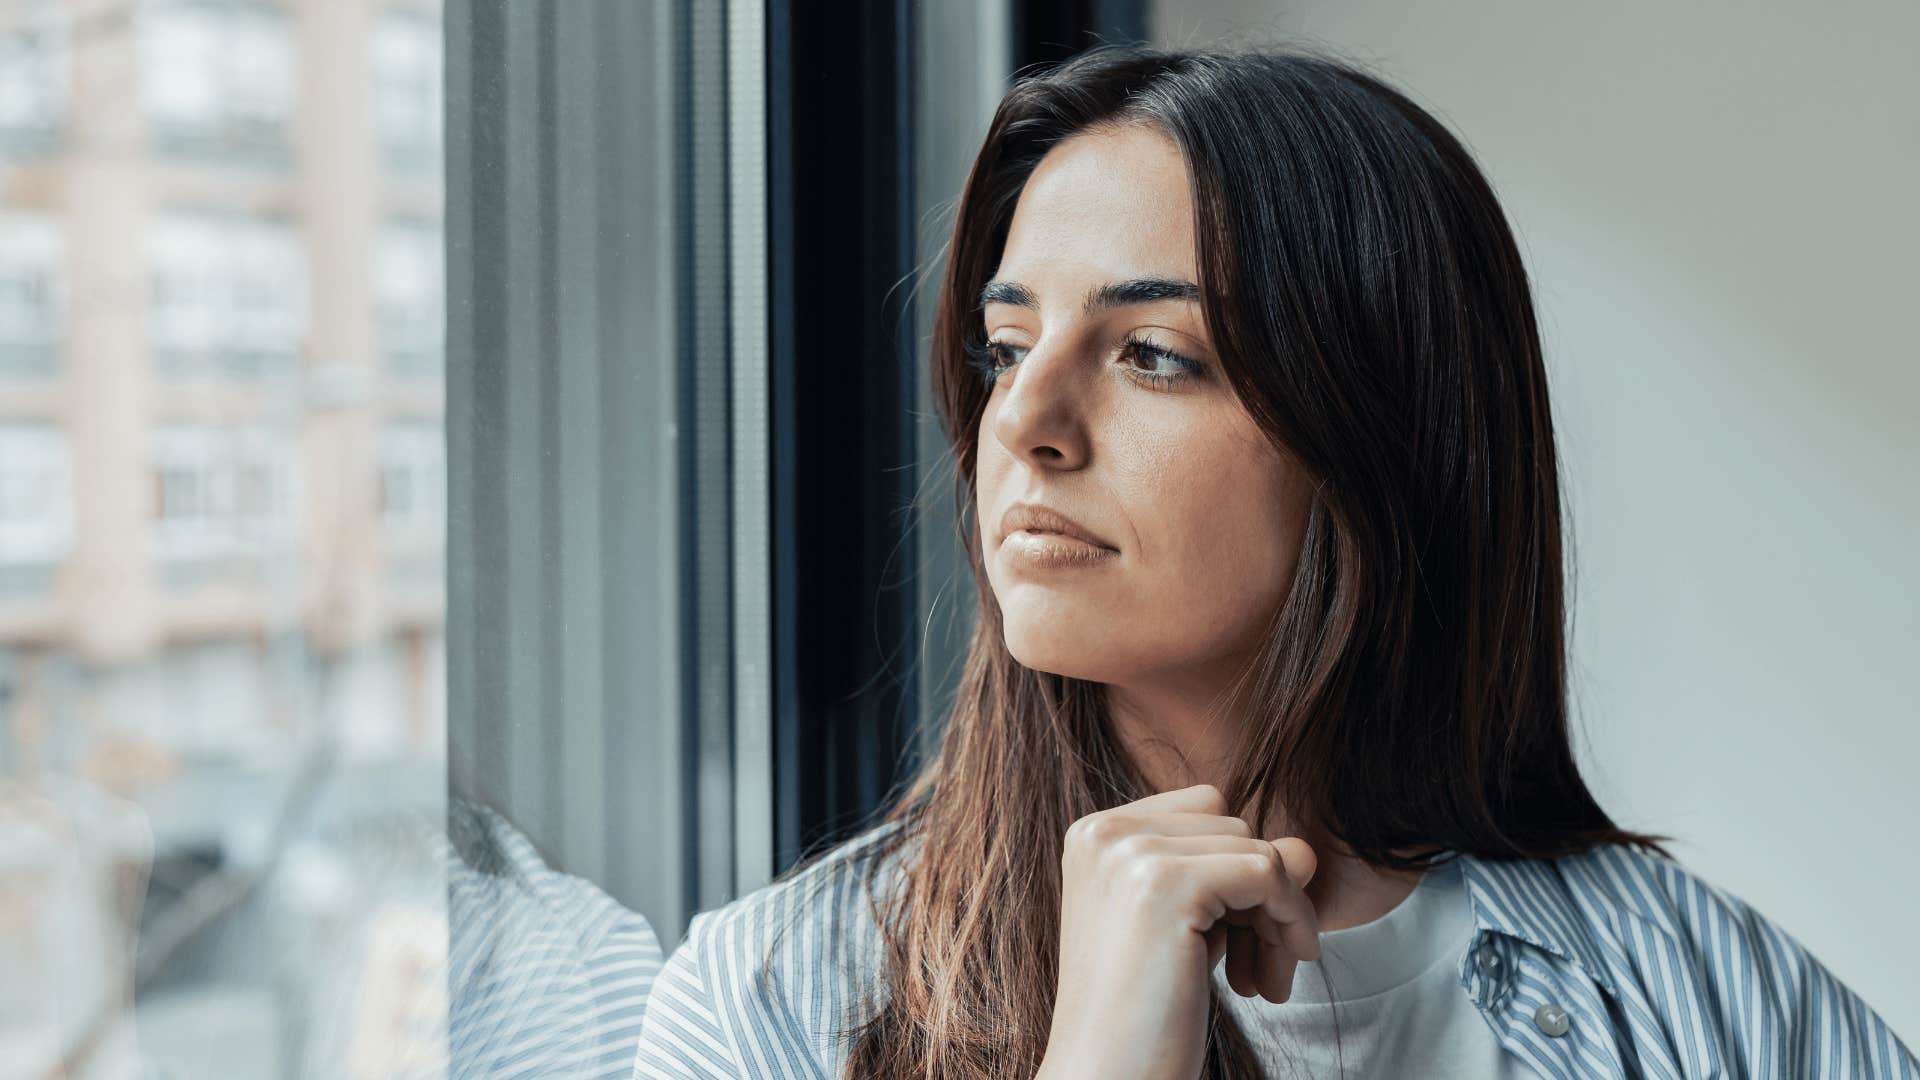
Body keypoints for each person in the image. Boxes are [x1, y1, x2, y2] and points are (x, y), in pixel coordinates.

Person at [631, 44, 1920, 1079]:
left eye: (1153, 355)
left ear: (1374, 439)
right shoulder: (765, 1010)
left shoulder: (1690, 990)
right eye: (1006, 348)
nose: (1023, 421)